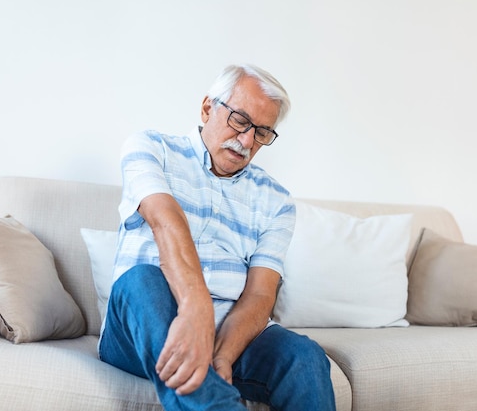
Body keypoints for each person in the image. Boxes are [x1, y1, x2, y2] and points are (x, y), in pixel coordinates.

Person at [99, 64, 336, 410]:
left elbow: (259, 294)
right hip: (140, 325)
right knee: (142, 281)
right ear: (208, 108)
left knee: (304, 356)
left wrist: (223, 355)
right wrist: (195, 310)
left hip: (230, 337)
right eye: (240, 121)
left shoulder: (277, 201)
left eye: (262, 132)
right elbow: (166, 221)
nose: (246, 141)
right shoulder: (151, 148)